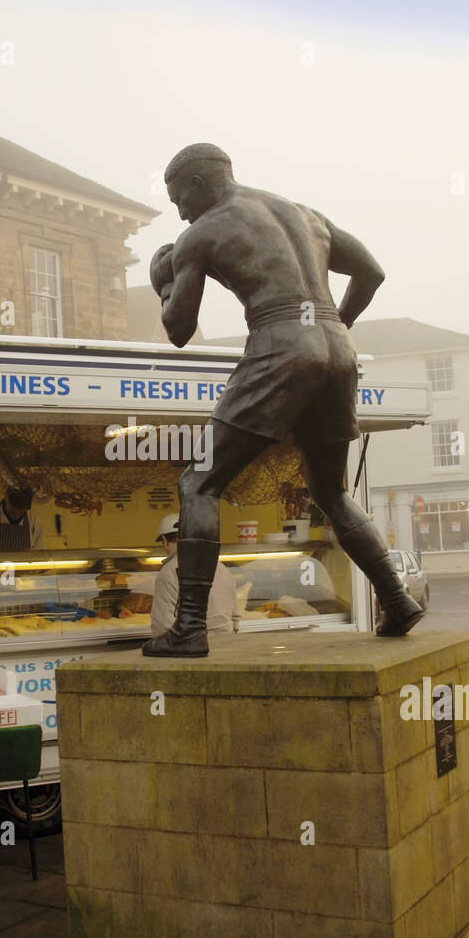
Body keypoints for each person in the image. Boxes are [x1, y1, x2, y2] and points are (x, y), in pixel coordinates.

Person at [142, 143, 423, 657]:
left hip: (280, 341)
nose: (179, 211)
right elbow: (372, 273)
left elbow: (179, 330)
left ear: (200, 183)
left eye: (178, 197)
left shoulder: (199, 233)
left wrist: (164, 282)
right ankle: (396, 598)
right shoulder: (303, 213)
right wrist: (329, 333)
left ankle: (189, 628)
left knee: (199, 482)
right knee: (332, 493)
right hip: (337, 345)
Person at [150, 513, 239, 636]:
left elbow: (162, 626)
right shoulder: (221, 567)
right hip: (226, 645)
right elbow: (236, 617)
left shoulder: (168, 572)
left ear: (164, 540)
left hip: (190, 648)